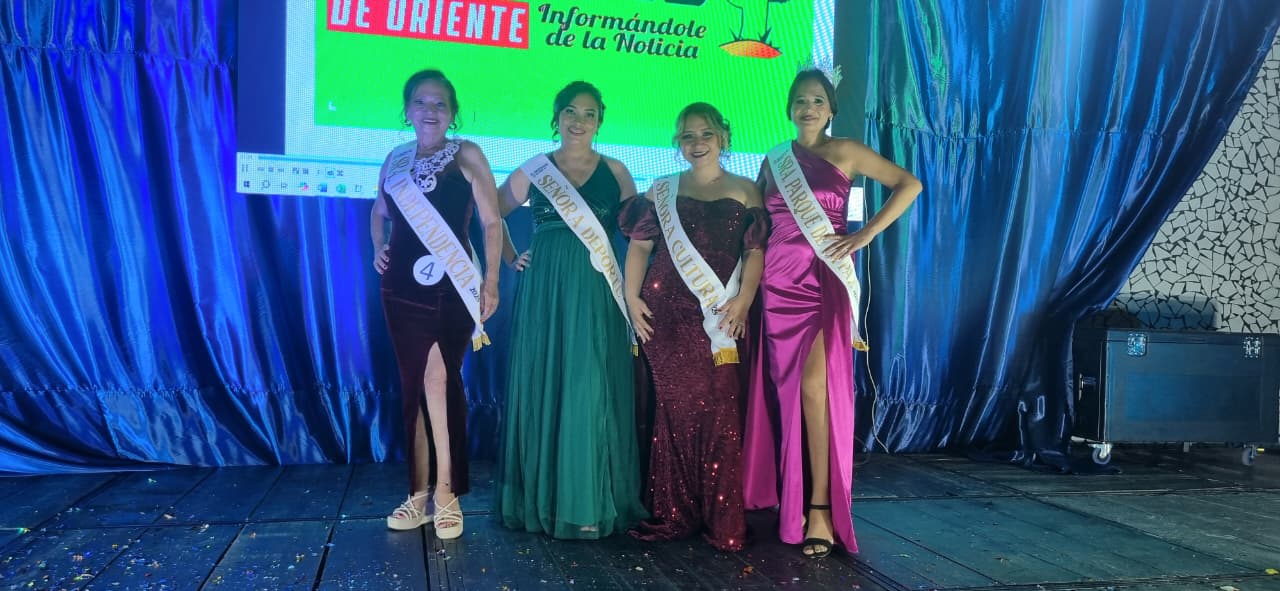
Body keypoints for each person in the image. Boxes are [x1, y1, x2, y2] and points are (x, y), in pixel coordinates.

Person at [741, 69, 922, 558]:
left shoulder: (847, 151)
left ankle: (820, 506)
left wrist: (865, 234)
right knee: (787, 398)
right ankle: (791, 500)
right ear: (789, 108)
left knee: (814, 391)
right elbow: (757, 225)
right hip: (777, 287)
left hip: (823, 283)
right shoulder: (773, 160)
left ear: (830, 109)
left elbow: (909, 184)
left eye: (818, 100)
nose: (808, 108)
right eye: (800, 100)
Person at [495, 81, 648, 539]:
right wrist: (510, 255)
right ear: (556, 117)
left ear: (600, 121)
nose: (578, 121)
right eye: (570, 112)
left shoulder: (616, 171)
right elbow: (490, 211)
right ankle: (546, 499)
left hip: (597, 289)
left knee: (589, 385)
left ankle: (588, 500)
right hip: (545, 290)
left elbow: (640, 234)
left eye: (589, 113)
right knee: (547, 382)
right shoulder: (535, 168)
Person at [618, 102, 768, 552]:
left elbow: (754, 254)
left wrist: (745, 299)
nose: (697, 142)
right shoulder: (662, 188)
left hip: (719, 314)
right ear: (678, 143)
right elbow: (640, 248)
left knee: (720, 409)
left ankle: (721, 516)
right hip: (665, 313)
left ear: (723, 136)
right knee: (674, 411)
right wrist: (631, 297)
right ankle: (674, 510)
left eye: (705, 133)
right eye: (687, 135)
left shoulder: (746, 190)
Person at [372, 69, 503, 540]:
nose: (431, 111)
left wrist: (491, 281)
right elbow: (379, 212)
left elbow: (492, 222)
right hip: (400, 290)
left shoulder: (467, 154)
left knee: (439, 380)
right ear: (407, 110)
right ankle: (418, 493)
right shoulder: (395, 159)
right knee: (414, 385)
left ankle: (446, 492)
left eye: (440, 103)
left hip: (452, 286)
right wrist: (377, 246)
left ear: (453, 112)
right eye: (422, 102)